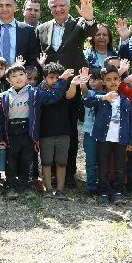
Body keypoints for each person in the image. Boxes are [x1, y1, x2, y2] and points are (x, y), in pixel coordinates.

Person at [36, 0, 97, 188]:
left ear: (68, 7)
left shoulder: (78, 24)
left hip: (73, 85)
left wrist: (88, 17)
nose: (58, 9)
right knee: (50, 129)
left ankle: (68, 173)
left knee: (69, 130)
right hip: (51, 87)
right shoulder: (42, 28)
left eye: (62, 5)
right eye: (54, 6)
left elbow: (90, 31)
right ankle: (51, 173)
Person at [0, 63, 74, 200]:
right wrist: (1, 138)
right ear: (8, 80)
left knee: (27, 160)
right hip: (11, 134)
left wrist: (62, 80)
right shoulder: (3, 96)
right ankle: (10, 186)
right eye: (14, 76)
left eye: (21, 75)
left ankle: (26, 186)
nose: (18, 78)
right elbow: (0, 120)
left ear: (26, 76)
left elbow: (54, 96)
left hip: (28, 134)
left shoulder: (35, 93)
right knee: (11, 161)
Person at [84, 66, 132, 204]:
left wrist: (131, 141)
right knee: (103, 166)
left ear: (120, 80)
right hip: (103, 139)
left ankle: (118, 191)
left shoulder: (125, 100)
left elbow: (130, 122)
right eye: (108, 80)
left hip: (121, 139)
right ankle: (103, 192)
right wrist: (104, 97)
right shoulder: (100, 96)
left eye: (115, 79)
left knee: (120, 166)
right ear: (103, 82)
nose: (112, 82)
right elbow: (88, 102)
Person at [37, 62, 79, 198]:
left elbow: (70, 95)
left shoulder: (63, 89)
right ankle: (48, 188)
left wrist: (73, 83)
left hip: (63, 133)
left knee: (62, 162)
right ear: (44, 78)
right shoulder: (40, 91)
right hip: (45, 134)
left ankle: (61, 189)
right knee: (46, 162)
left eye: (58, 77)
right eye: (51, 77)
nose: (55, 80)